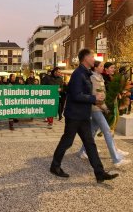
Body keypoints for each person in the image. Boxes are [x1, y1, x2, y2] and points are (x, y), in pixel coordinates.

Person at [50, 49, 119, 183]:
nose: (94, 59)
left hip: (83, 116)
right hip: (74, 115)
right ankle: (55, 166)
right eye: (92, 57)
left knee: (90, 144)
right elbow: (75, 95)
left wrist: (96, 98)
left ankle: (100, 173)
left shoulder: (86, 73)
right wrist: (94, 98)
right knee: (67, 141)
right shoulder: (78, 74)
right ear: (85, 58)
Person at [78, 61, 131, 167]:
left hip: (100, 107)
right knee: (107, 131)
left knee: (92, 131)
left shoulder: (100, 77)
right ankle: (116, 159)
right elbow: (95, 95)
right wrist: (105, 108)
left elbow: (103, 94)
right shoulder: (93, 78)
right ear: (95, 68)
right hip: (96, 108)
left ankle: (82, 152)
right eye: (101, 66)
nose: (103, 68)